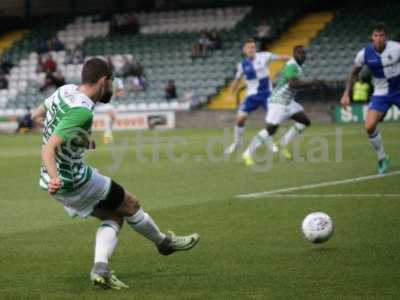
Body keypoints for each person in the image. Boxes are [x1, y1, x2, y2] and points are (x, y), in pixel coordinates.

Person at [31, 58, 199, 289]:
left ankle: (100, 269)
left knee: (113, 217)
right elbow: (49, 149)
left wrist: (75, 142)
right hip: (72, 179)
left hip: (54, 180)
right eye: (111, 82)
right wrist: (56, 176)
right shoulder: (82, 112)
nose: (112, 87)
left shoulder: (65, 90)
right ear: (103, 81)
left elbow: (37, 116)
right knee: (130, 203)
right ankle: (163, 243)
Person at [242, 45, 324, 165]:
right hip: (278, 101)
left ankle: (283, 143)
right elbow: (292, 84)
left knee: (304, 121)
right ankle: (247, 153)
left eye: (304, 54)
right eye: (300, 53)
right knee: (270, 130)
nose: (303, 56)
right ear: (294, 54)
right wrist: (312, 83)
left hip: (288, 101)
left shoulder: (297, 66)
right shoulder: (292, 65)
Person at [341, 23, 399, 174]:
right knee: (369, 126)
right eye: (376, 36)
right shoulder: (364, 54)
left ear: (386, 37)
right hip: (381, 92)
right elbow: (354, 72)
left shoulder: (397, 48)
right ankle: (382, 158)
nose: (379, 39)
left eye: (381, 36)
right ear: (372, 37)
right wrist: (346, 93)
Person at [225, 38, 290, 155]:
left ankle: (270, 142)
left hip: (267, 95)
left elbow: (280, 57)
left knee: (272, 120)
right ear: (244, 50)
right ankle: (237, 142)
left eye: (253, 47)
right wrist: (230, 94)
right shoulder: (242, 65)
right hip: (252, 96)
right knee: (240, 119)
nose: (251, 49)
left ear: (255, 48)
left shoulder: (264, 56)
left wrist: (292, 59)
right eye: (248, 47)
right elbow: (236, 80)